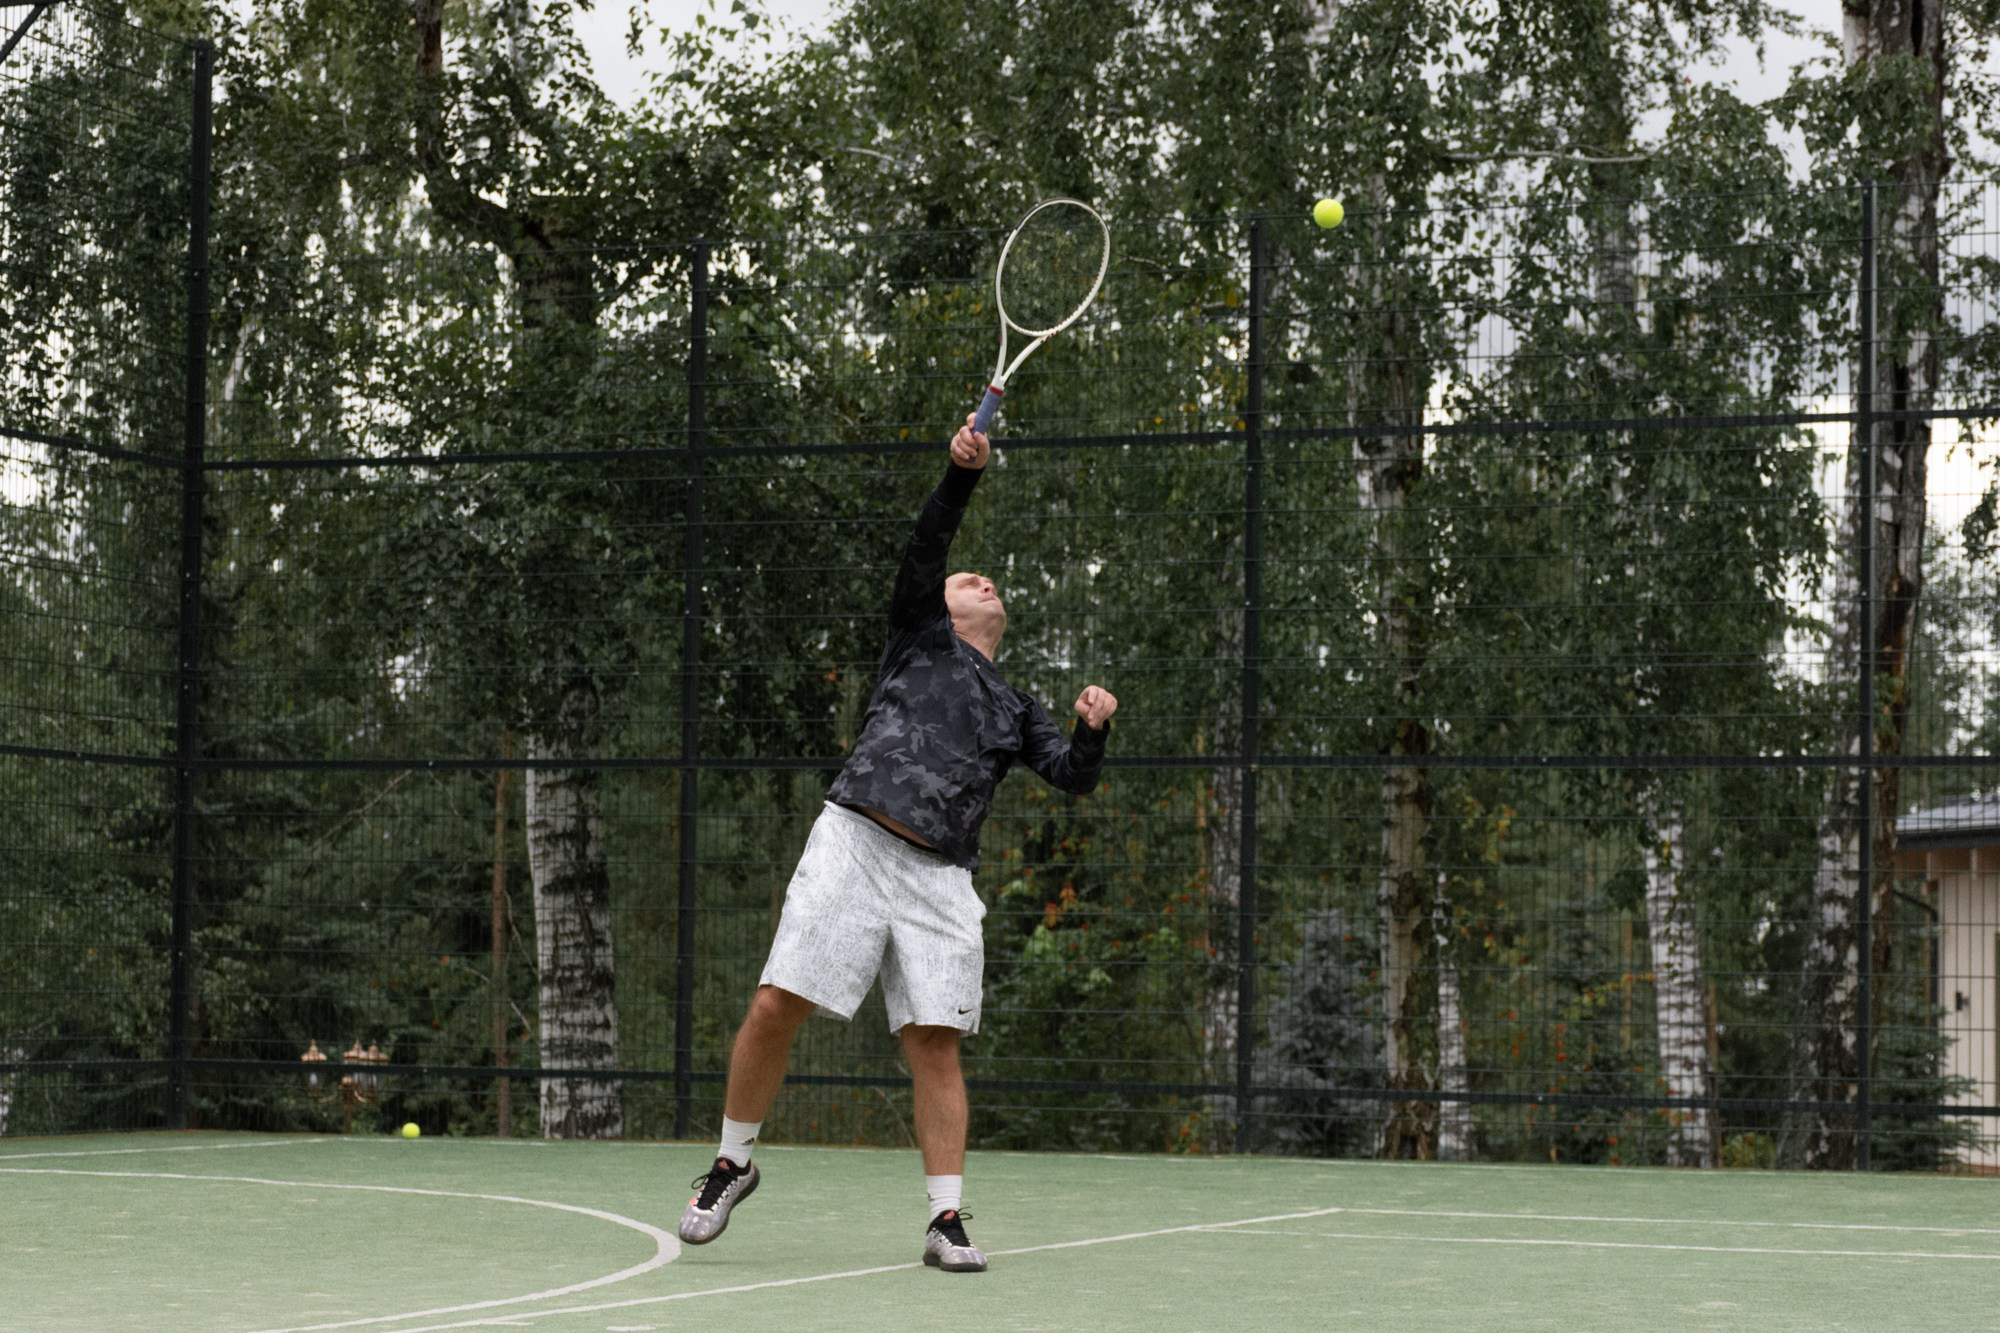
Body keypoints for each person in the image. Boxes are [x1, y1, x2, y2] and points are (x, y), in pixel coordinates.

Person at [677, 413, 1117, 1274]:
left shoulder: (1017, 705)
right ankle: (731, 1162)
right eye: (966, 575)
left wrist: (1090, 727)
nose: (978, 576)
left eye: (986, 581)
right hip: (853, 839)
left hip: (941, 879)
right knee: (776, 1003)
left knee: (934, 1043)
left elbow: (1069, 773)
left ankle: (945, 1219)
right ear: (941, 602)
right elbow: (927, 541)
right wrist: (960, 476)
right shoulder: (918, 635)